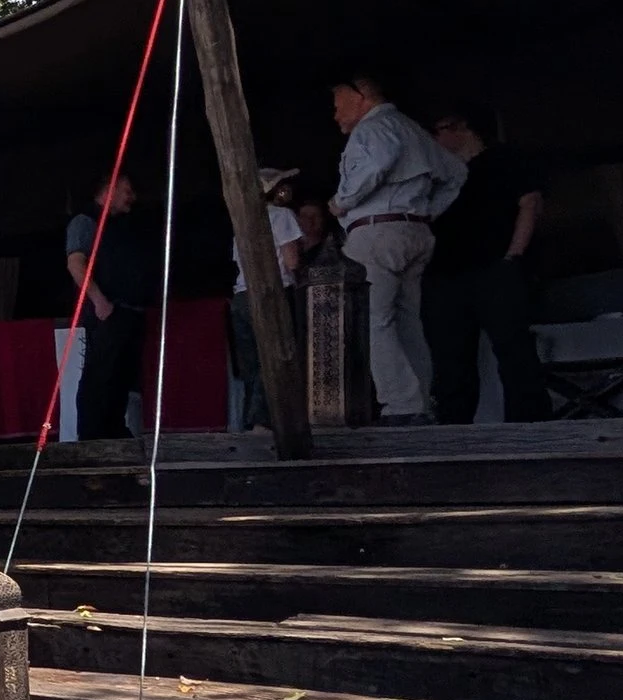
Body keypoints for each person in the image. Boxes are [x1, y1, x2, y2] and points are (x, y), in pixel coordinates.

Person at [328, 69, 466, 427]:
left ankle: (401, 405)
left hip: (377, 232)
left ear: (362, 96)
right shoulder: (412, 129)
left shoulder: (373, 129)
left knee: (374, 319)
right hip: (414, 231)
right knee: (407, 321)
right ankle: (420, 401)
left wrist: (343, 201)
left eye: (339, 103)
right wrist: (427, 212)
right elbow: (456, 173)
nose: (336, 114)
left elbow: (376, 162)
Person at [425, 108, 551, 424]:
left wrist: (513, 256)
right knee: (449, 357)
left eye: (438, 131)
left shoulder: (503, 159)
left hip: (495, 267)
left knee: (513, 349)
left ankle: (529, 427)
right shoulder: (438, 174)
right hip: (445, 273)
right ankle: (453, 431)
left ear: (460, 127)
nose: (434, 140)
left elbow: (530, 203)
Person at [64, 170, 156, 443]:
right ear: (110, 190)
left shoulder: (122, 226)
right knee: (100, 377)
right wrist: (100, 301)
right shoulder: (85, 222)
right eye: (127, 191)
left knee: (120, 380)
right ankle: (92, 440)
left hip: (129, 313)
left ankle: (113, 434)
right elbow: (76, 264)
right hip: (107, 312)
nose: (132, 198)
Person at [228, 162, 304, 434]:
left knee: (250, 362)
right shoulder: (282, 216)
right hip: (272, 292)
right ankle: (264, 422)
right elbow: (292, 261)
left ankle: (250, 422)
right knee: (272, 358)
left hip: (241, 296)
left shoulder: (244, 221)